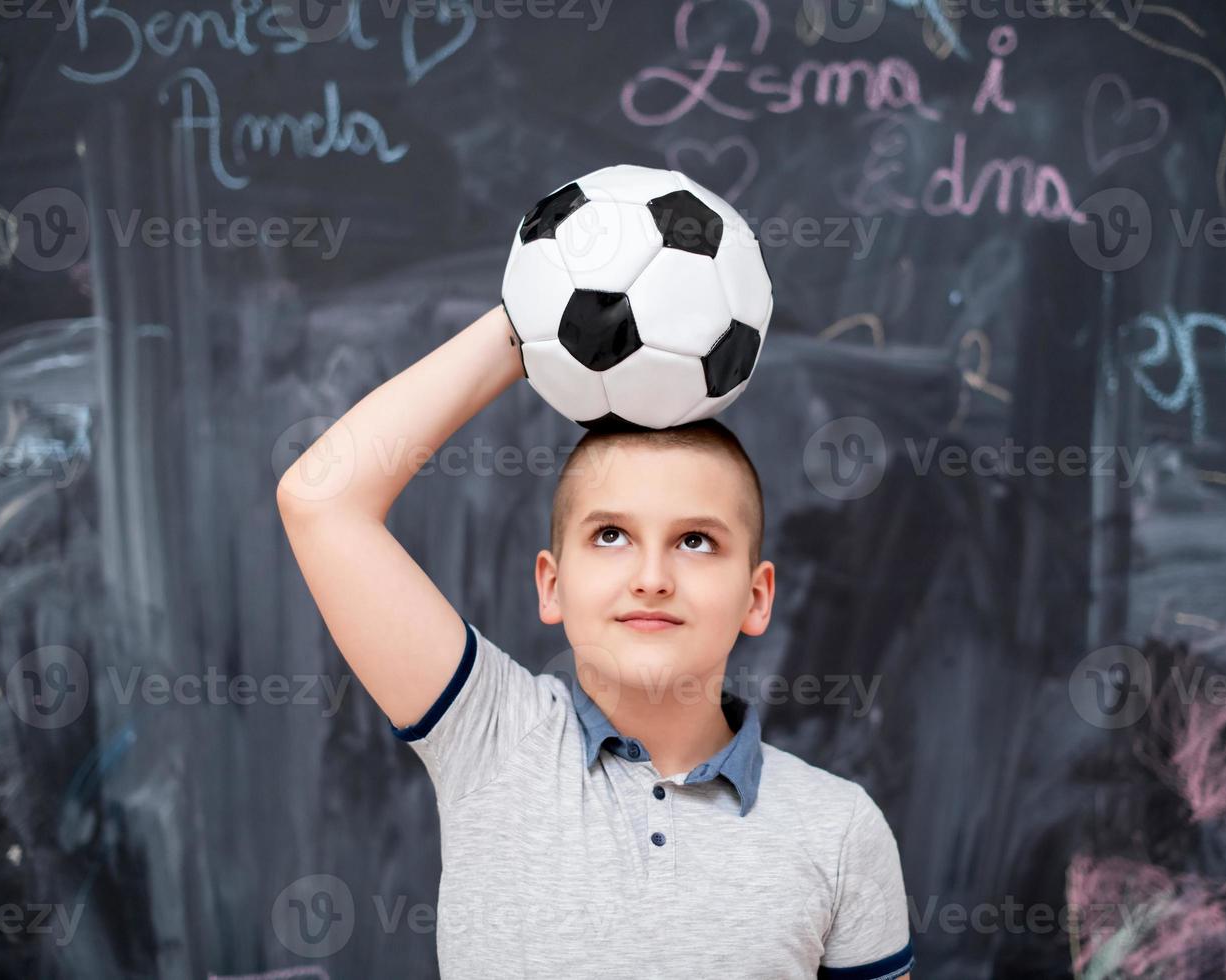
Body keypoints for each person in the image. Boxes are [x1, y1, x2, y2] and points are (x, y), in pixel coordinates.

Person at [276, 303, 914, 978]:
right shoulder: (489, 736)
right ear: (551, 585)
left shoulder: (840, 829)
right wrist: (529, 323)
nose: (651, 577)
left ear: (756, 598)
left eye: (695, 541)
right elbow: (320, 501)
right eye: (611, 536)